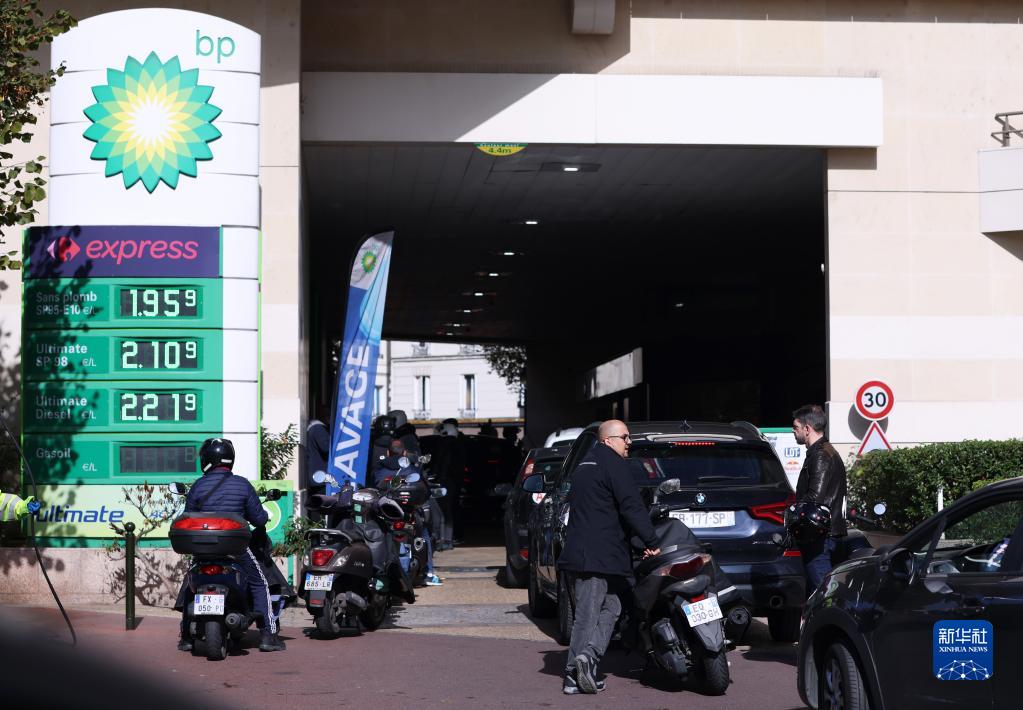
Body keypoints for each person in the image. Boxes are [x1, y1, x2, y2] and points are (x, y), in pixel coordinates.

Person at [556, 420, 660, 695]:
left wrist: (635, 544)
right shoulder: (613, 464)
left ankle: (588, 657)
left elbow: (602, 511)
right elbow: (631, 506)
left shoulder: (585, 464)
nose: (629, 443)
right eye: (625, 437)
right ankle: (572, 675)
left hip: (591, 554)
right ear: (608, 440)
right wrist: (650, 541)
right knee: (588, 614)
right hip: (596, 557)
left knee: (613, 606)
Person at [178, 438, 286, 653]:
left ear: (206, 460)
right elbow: (260, 520)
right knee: (259, 583)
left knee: (191, 580)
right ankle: (268, 635)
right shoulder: (242, 484)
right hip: (236, 549)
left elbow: (188, 517)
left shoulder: (198, 486)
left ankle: (186, 637)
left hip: (203, 549)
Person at [791, 404, 848, 593]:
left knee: (824, 593)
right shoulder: (825, 450)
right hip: (825, 534)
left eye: (796, 427)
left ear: (807, 429)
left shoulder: (821, 454)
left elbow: (814, 498)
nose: (793, 431)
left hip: (820, 537)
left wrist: (793, 513)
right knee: (816, 594)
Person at [370, 440, 443, 586]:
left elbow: (373, 487)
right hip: (409, 512)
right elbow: (426, 491)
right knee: (424, 534)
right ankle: (428, 573)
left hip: (386, 512)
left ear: (388, 452)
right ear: (404, 453)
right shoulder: (412, 469)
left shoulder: (379, 469)